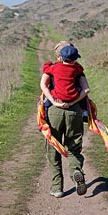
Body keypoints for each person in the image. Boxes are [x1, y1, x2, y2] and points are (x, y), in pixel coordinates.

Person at [40, 42, 90, 198]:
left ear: (58, 55)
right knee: (74, 146)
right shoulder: (78, 70)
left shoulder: (53, 68)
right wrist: (73, 102)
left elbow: (43, 85)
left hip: (54, 110)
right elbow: (86, 89)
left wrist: (54, 102)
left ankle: (57, 188)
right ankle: (76, 170)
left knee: (53, 146)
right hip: (74, 111)